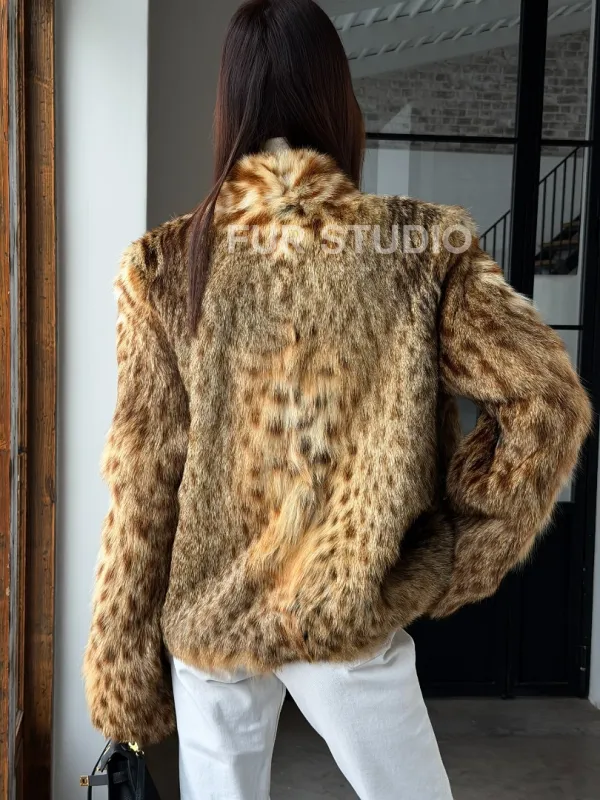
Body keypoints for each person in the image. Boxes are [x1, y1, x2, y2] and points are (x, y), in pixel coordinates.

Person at [83, 0, 592, 798]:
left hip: (212, 617)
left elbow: (144, 478)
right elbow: (545, 400)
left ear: (228, 107)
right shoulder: (419, 247)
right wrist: (457, 551)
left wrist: (121, 664)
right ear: (338, 99)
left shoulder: (164, 263)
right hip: (347, 606)